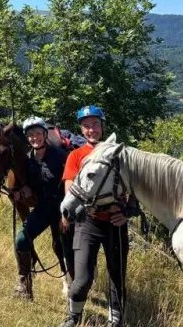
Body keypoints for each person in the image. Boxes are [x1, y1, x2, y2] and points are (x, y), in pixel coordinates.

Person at [59, 105, 137, 327]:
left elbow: (134, 189)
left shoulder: (118, 154)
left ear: (102, 127)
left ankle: (115, 321)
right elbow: (70, 188)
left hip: (115, 224)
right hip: (88, 223)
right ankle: (73, 317)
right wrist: (79, 210)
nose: (91, 130)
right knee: (82, 280)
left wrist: (126, 213)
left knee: (117, 277)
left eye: (95, 125)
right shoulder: (76, 155)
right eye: (86, 126)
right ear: (81, 130)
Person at [12, 116, 74, 300]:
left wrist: (66, 215)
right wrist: (23, 191)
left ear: (45, 134)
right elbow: (29, 185)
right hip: (43, 207)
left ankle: (72, 284)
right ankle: (24, 283)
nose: (35, 138)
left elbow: (72, 184)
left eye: (38, 133)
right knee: (21, 240)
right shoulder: (28, 160)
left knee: (66, 246)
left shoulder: (60, 155)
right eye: (30, 135)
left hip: (63, 206)